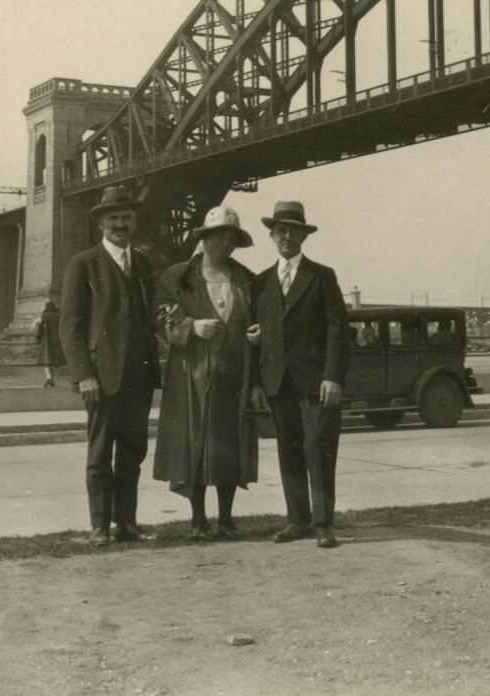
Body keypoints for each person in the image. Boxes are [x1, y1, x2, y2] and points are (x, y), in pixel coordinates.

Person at [59, 184, 161, 548]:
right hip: (101, 379)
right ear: (101, 223)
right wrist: (84, 375)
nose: (120, 223)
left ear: (134, 221)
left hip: (139, 376)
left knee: (133, 453)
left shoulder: (144, 263)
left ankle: (127, 523)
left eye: (126, 217)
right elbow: (69, 326)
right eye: (113, 217)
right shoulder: (83, 264)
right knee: (100, 453)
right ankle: (100, 526)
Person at [153, 206, 259, 541]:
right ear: (205, 239)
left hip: (233, 378)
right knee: (194, 448)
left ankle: (226, 519)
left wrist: (259, 336)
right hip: (192, 377)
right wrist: (191, 326)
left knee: (228, 448)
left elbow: (260, 318)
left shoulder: (245, 279)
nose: (225, 244)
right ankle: (198, 520)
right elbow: (158, 316)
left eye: (231, 238)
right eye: (219, 237)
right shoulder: (179, 277)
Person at [249, 200, 350, 549]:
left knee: (318, 448)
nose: (286, 236)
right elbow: (255, 337)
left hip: (316, 383)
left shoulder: (322, 277)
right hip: (278, 382)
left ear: (304, 235)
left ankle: (323, 524)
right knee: (288, 450)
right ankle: (297, 520)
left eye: (293, 230)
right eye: (280, 230)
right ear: (272, 235)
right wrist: (257, 383)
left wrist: (332, 376)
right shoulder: (260, 283)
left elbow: (338, 330)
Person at [35, 300, 63, 388]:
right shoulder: (58, 316)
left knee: (46, 361)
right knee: (53, 361)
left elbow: (38, 326)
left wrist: (38, 338)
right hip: (57, 341)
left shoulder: (44, 316)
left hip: (47, 341)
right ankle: (52, 379)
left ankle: (49, 378)